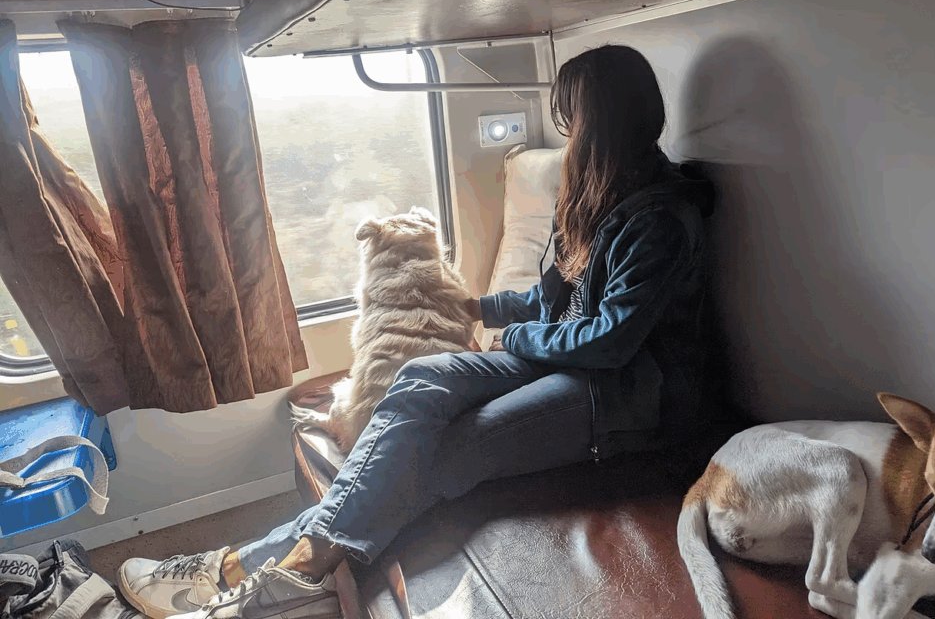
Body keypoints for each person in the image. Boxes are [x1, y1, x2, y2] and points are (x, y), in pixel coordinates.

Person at [118, 45, 718, 619]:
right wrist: (477, 308)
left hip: (631, 394)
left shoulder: (659, 220)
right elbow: (552, 300)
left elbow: (610, 340)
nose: (566, 134)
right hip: (570, 362)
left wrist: (518, 339)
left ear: (603, 124)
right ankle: (263, 568)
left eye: (573, 119)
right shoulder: (600, 198)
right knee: (419, 378)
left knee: (455, 445)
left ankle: (271, 570)